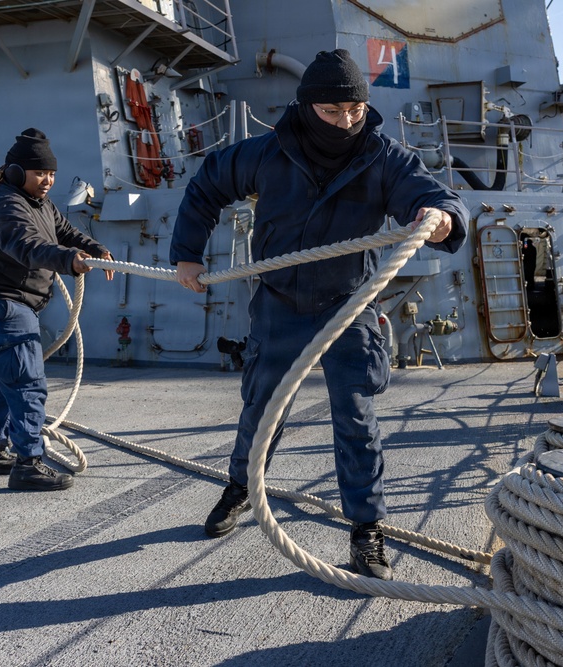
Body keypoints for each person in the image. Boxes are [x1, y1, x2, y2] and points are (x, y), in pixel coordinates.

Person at [170, 49, 469, 580]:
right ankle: (241, 488)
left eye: (355, 110)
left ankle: (367, 529)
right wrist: (188, 254)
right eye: (333, 112)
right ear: (307, 107)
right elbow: (208, 183)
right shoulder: (268, 153)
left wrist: (442, 216)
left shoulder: (383, 157)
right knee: (261, 410)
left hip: (349, 307)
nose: (346, 121)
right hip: (280, 305)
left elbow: (430, 193)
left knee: (357, 420)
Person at [0, 128, 114, 489]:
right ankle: (27, 463)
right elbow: (26, 246)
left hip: (6, 304)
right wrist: (69, 260)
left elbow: (63, 231)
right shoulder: (6, 205)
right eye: (40, 173)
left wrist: (95, 248)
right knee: (28, 383)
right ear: (16, 172)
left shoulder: (39, 203)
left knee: (9, 379)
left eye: (52, 174)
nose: (47, 181)